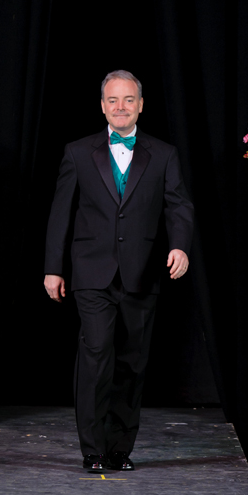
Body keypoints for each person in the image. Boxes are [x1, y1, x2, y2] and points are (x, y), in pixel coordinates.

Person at [43, 71, 194, 472]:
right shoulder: (78, 152)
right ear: (102, 106)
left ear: (141, 105)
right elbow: (61, 213)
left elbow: (178, 205)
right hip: (92, 274)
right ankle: (93, 450)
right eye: (113, 100)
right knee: (96, 354)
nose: (120, 107)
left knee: (132, 362)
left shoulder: (163, 154)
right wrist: (53, 268)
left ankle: (118, 450)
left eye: (128, 100)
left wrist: (180, 246)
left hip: (142, 272)